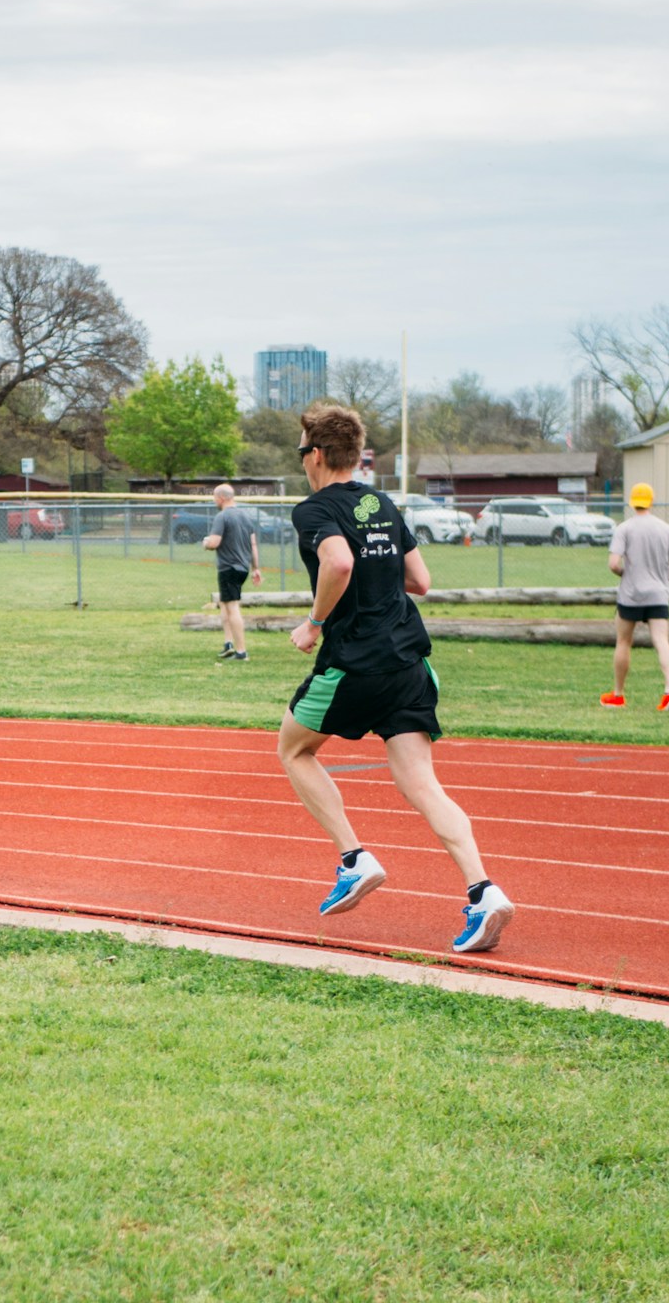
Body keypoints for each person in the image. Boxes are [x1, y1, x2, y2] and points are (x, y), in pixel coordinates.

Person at [276, 404, 515, 953]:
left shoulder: (314, 510)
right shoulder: (381, 503)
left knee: (294, 750)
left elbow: (337, 564)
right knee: (421, 783)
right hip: (410, 661)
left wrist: (313, 624)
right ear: (355, 454)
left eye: (302, 453)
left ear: (315, 454)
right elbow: (421, 580)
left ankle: (354, 860)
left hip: (356, 662)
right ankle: (484, 892)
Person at [603, 482, 669, 711]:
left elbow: (613, 564)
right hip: (658, 593)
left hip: (631, 594)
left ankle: (618, 695)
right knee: (661, 641)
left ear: (632, 502)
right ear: (651, 501)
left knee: (624, 641)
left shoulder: (624, 528)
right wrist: (665, 580)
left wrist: (626, 574)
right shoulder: (665, 528)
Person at [204, 483, 263, 660]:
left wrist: (205, 542)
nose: (214, 500)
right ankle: (228, 643)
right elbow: (253, 544)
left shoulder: (222, 517)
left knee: (232, 606)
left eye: (214, 497)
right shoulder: (246, 517)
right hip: (243, 567)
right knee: (225, 603)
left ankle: (241, 651)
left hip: (228, 567)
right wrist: (256, 568)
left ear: (221, 498)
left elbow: (214, 542)